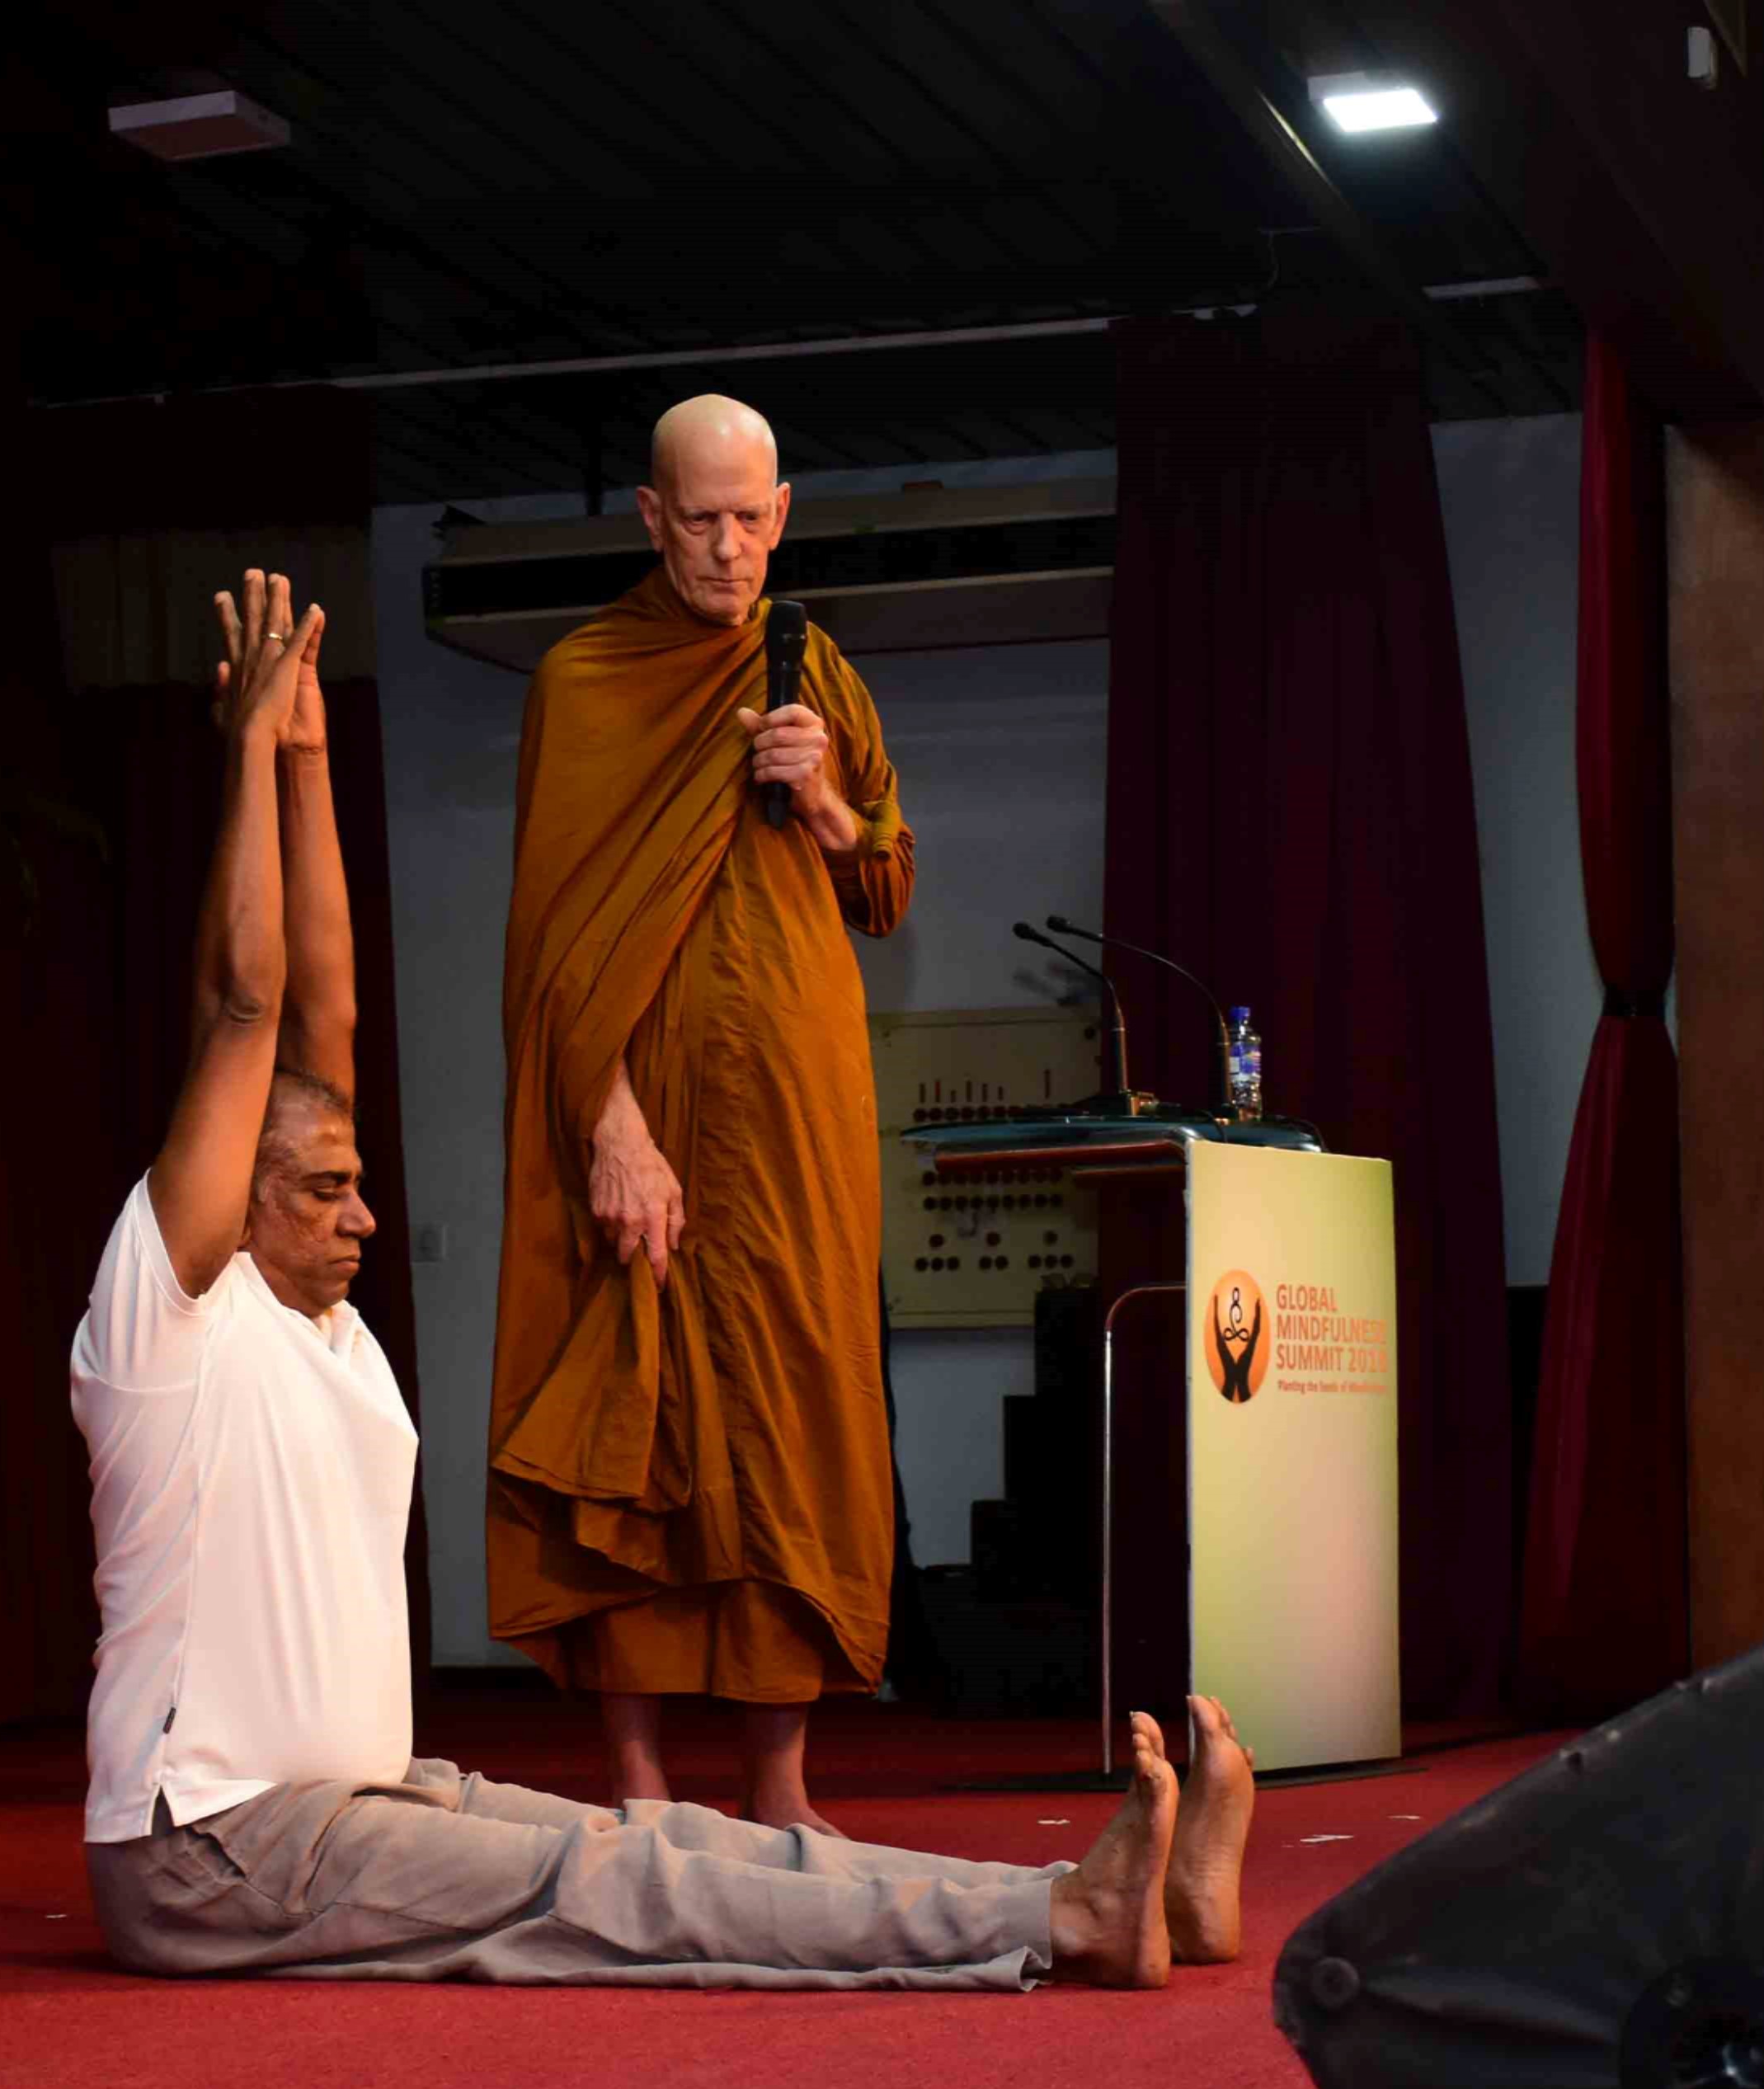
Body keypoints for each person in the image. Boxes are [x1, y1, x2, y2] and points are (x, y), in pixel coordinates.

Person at [73, 572, 1254, 1989]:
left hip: (359, 1800)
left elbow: (324, 1007)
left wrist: (314, 759)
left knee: (677, 1835)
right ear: (223, 1199)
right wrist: (249, 759)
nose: (365, 1216)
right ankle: (1054, 1929)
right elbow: (249, 1002)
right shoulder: (168, 1315)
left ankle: (1111, 1893)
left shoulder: (318, 1319)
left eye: (357, 1182)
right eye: (324, 1192)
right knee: (620, 1880)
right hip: (214, 1846)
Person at [487, 395, 910, 1832]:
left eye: (750, 519)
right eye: (701, 519)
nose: (729, 548)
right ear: (651, 516)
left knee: (795, 1401)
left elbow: (888, 881)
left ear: (782, 514)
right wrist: (608, 1125)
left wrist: (832, 803)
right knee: (640, 1414)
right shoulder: (586, 679)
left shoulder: (815, 667)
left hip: (793, 1106)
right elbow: (551, 939)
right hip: (642, 1103)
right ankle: (640, 1778)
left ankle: (781, 1781)